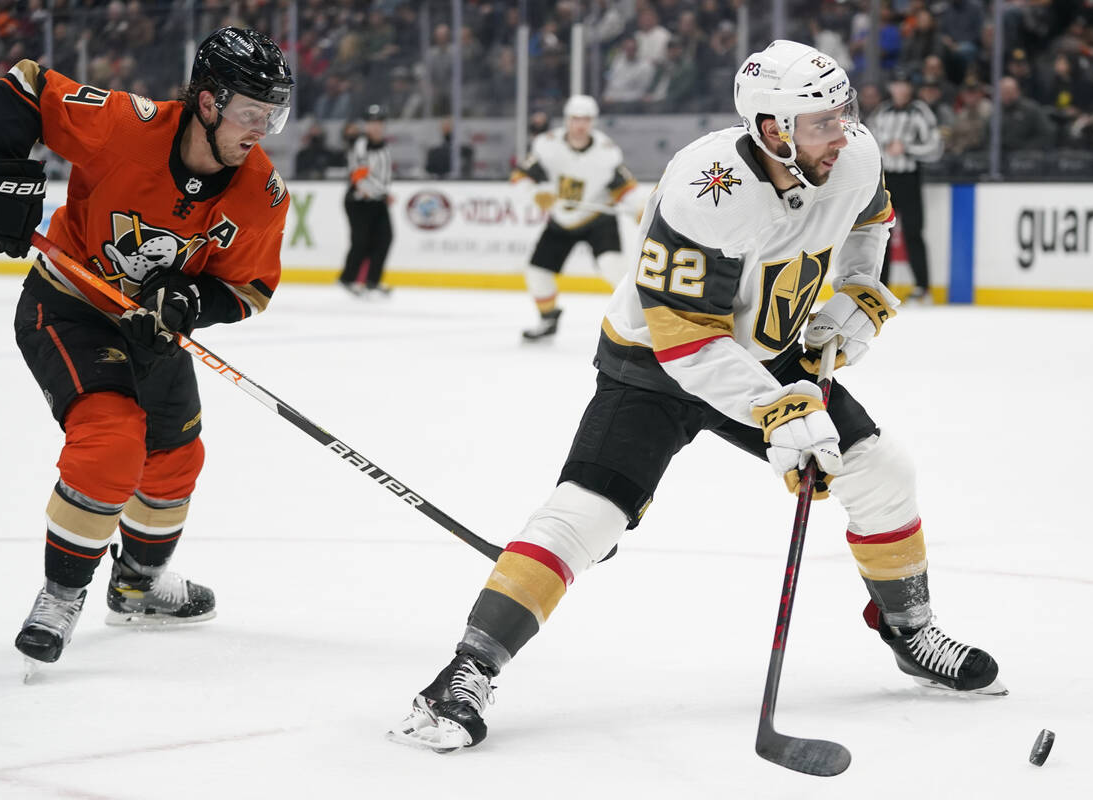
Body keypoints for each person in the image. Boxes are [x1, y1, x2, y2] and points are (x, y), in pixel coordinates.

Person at [387, 40, 1003, 754]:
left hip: (770, 354)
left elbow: (871, 220)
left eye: (844, 113)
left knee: (881, 469)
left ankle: (910, 629)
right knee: (587, 515)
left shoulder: (853, 155)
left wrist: (858, 294)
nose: (843, 132)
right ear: (772, 128)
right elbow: (684, 337)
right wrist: (780, 410)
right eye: (822, 121)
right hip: (654, 365)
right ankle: (465, 674)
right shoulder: (705, 188)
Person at [0, 26, 293, 663]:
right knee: (113, 440)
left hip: (152, 334)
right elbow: (25, 86)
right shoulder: (126, 127)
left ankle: (138, 585)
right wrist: (8, 178)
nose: (263, 127)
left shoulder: (261, 194)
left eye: (273, 113)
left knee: (176, 458)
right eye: (252, 110)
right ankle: (61, 595)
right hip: (70, 307)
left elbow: (249, 288)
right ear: (207, 101)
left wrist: (190, 303)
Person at [510, 94, 637, 341]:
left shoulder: (607, 151)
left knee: (614, 269)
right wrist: (536, 195)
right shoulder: (546, 145)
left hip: (598, 218)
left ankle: (636, 321)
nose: (580, 125)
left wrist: (638, 207)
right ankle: (548, 320)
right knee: (537, 272)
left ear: (593, 122)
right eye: (576, 119)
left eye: (586, 119)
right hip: (561, 220)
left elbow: (624, 188)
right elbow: (520, 177)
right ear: (567, 120)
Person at [869, 69, 942, 302]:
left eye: (904, 85)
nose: (899, 89)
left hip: (909, 178)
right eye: (896, 84)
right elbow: (868, 141)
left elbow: (935, 147)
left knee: (913, 232)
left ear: (910, 88)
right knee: (882, 233)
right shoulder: (882, 112)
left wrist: (907, 148)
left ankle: (922, 287)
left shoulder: (920, 112)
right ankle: (882, 285)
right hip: (886, 178)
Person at [339, 103, 394, 296]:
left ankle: (372, 281)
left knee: (385, 238)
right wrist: (380, 191)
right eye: (371, 122)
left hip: (378, 200)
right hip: (359, 201)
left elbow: (384, 174)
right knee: (360, 240)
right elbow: (358, 176)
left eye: (379, 122)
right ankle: (348, 278)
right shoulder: (361, 145)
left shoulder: (385, 146)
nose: (376, 126)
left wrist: (383, 193)